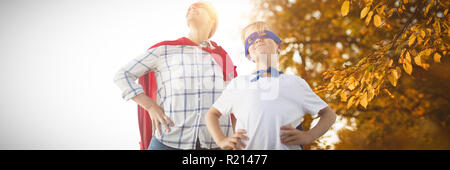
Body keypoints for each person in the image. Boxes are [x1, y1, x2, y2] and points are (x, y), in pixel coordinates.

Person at [113, 1, 237, 150]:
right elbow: (122, 75)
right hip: (168, 141)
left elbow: (235, 102)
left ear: (212, 20)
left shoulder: (223, 57)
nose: (192, 8)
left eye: (199, 7)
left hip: (216, 144)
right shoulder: (164, 50)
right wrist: (151, 106)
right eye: (190, 8)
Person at [205, 21, 336, 150]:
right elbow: (211, 114)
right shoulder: (238, 84)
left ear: (279, 46)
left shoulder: (296, 83)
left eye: (264, 35)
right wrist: (222, 141)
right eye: (251, 39)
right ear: (249, 55)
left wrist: (309, 136)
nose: (258, 40)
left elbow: (329, 115)